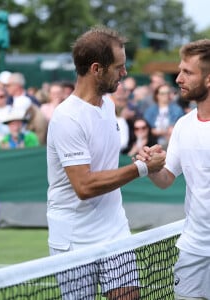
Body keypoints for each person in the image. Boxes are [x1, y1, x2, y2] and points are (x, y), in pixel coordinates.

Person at [46, 25, 165, 300]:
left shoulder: (109, 105)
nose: (124, 73)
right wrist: (141, 169)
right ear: (96, 69)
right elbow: (84, 186)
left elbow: (106, 166)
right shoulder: (67, 118)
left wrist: (142, 158)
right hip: (74, 239)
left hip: (114, 229)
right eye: (118, 67)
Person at [137, 39, 210, 300]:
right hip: (192, 248)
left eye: (187, 72)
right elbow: (166, 178)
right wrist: (151, 167)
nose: (178, 78)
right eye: (179, 70)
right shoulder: (183, 125)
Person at [144, 83, 184, 149]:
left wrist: (161, 132)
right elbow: (146, 127)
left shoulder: (177, 110)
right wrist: (163, 132)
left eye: (167, 93)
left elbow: (178, 128)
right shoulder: (150, 111)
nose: (166, 95)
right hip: (152, 141)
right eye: (162, 93)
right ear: (157, 95)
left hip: (170, 141)